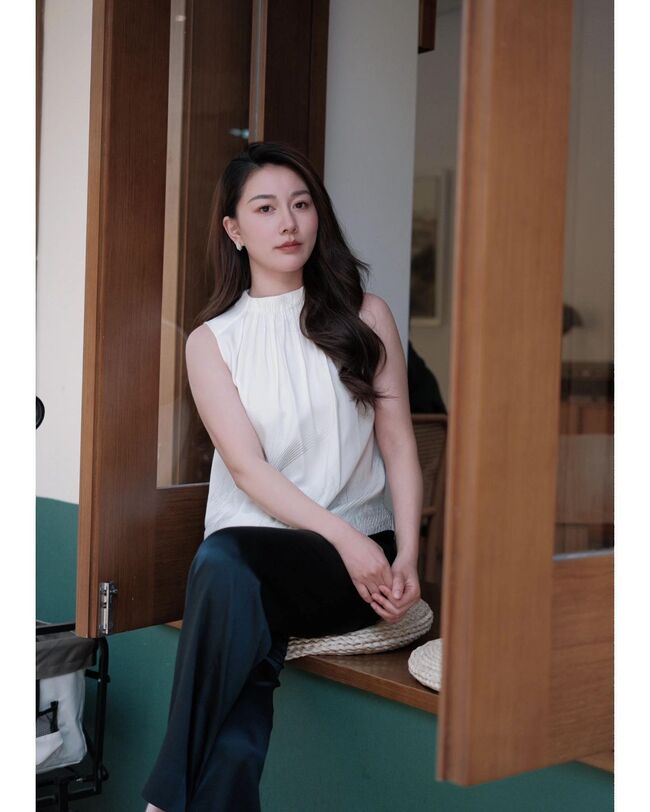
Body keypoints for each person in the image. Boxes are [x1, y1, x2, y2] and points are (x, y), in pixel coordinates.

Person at [142, 141, 423, 811]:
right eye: (266, 209)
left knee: (227, 568)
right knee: (240, 612)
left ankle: (163, 798)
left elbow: (399, 445)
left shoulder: (366, 315)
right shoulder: (213, 341)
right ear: (234, 230)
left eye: (301, 204)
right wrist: (342, 539)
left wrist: (407, 554)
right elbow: (246, 469)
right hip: (263, 555)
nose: (289, 223)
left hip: (352, 566)